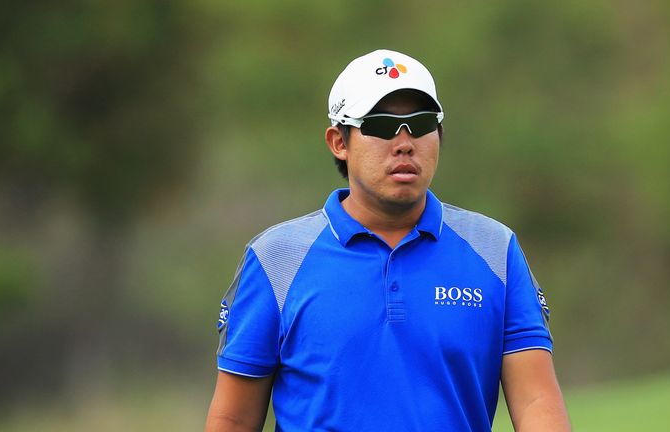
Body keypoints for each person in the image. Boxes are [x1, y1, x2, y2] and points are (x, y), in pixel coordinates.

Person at [205, 49, 571, 432]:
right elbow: (234, 419)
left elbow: (536, 402)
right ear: (338, 142)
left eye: (421, 123)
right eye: (381, 126)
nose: (405, 142)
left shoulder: (495, 249)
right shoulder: (275, 259)